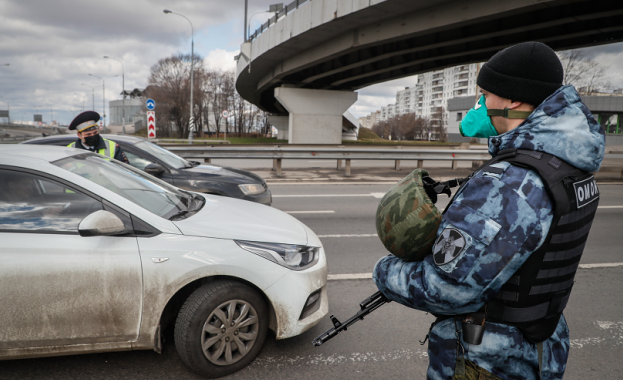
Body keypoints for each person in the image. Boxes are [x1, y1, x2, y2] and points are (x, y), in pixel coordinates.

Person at [373, 42, 605, 380]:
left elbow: (447, 290)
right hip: (540, 346)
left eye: (484, 95)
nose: (480, 105)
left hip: (490, 358)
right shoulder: (570, 166)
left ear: (512, 99)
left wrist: (385, 272)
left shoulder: (510, 184)